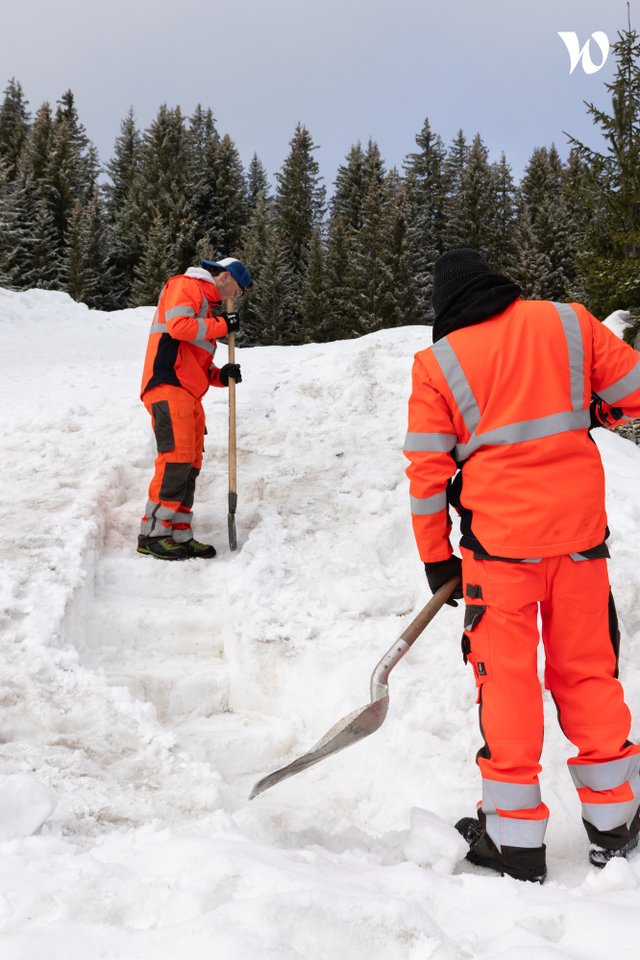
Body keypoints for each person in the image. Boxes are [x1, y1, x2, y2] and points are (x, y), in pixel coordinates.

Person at [403, 248, 640, 883]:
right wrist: (596, 412)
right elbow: (632, 393)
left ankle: (514, 843)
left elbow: (427, 478)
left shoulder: (438, 364)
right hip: (580, 542)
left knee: (506, 682)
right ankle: (615, 822)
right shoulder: (569, 322)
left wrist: (435, 558)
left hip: (499, 555)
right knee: (590, 672)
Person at [138, 256, 252, 560]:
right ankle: (153, 534)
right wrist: (220, 325)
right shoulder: (186, 285)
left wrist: (219, 376)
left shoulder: (205, 307)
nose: (235, 298)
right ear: (226, 277)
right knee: (175, 459)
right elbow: (178, 328)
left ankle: (178, 533)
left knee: (190, 464)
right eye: (238, 291)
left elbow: (193, 360)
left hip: (189, 393)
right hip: (168, 387)